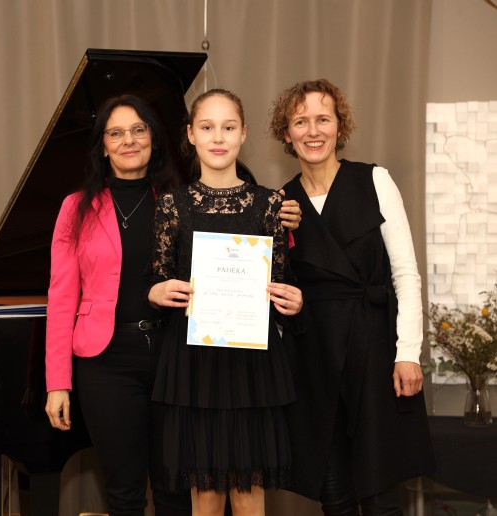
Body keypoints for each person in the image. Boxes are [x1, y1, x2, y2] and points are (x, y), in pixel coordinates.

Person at [44, 94, 302, 516]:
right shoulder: (77, 208)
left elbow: (251, 243)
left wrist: (288, 224)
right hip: (107, 361)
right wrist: (57, 382)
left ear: (155, 137)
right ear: (102, 145)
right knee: (124, 491)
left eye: (138, 130)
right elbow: (61, 298)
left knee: (177, 489)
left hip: (174, 355)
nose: (129, 140)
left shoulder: (176, 199)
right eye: (115, 133)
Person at [268, 79, 434, 515]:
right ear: (286, 133)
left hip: (374, 349)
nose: (313, 131)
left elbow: (405, 273)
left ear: (340, 128)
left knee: (381, 496)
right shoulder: (280, 204)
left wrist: (408, 353)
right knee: (334, 497)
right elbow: (277, 289)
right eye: (300, 121)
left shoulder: (375, 180)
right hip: (313, 354)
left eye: (323, 119)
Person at [147, 88, 304, 516]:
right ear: (190, 135)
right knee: (206, 497)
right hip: (194, 365)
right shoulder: (172, 206)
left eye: (228, 127)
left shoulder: (271, 204)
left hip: (251, 367)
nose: (218, 137)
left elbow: (280, 282)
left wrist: (293, 300)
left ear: (243, 134)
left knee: (249, 496)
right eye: (207, 127)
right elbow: (157, 279)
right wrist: (157, 293)